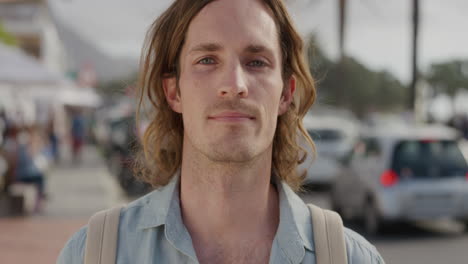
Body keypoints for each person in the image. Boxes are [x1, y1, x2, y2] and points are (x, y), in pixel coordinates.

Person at [58, 0, 385, 263]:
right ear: (174, 92)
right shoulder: (95, 253)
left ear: (286, 93)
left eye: (256, 62)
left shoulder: (351, 258)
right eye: (207, 60)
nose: (234, 85)